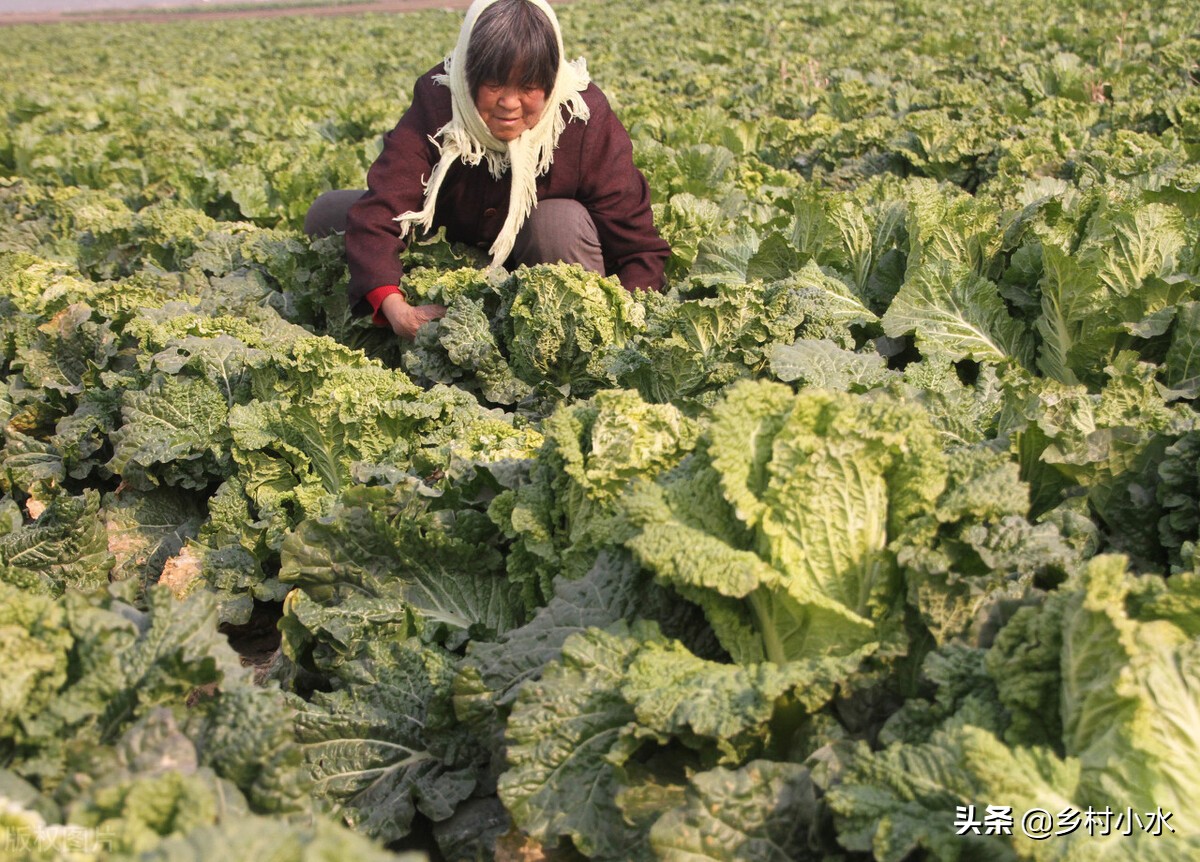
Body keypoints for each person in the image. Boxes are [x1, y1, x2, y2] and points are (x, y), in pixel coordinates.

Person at [304, 0, 671, 339]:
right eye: (494, 84)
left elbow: (638, 246)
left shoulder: (580, 115)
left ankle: (566, 330)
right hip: (453, 237)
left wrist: (616, 325)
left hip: (546, 255)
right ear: (468, 75)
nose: (509, 104)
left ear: (550, 80)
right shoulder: (440, 100)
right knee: (329, 214)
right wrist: (395, 308)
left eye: (528, 87)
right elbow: (386, 202)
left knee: (558, 222)